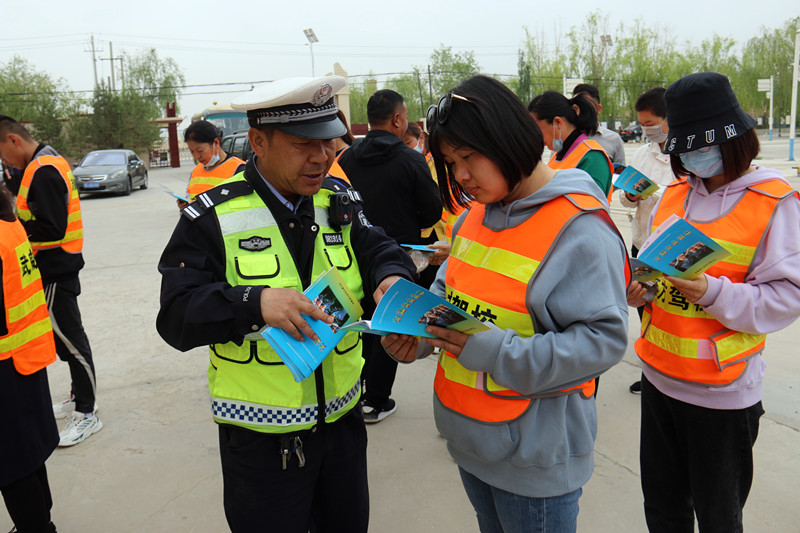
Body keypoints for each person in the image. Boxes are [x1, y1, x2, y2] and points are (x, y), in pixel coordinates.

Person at [156, 75, 417, 533]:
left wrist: (391, 278)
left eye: (328, 144)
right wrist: (253, 302)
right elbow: (176, 314)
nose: (322, 157)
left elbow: (378, 247)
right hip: (262, 442)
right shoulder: (210, 217)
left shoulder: (337, 199)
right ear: (258, 141)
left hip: (343, 428)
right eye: (303, 145)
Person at [382, 75, 629, 533]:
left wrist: (492, 351)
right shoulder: (474, 215)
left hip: (533, 460)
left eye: (469, 157)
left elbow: (602, 344)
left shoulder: (579, 228)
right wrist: (416, 336)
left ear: (507, 138)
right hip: (470, 438)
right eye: (451, 162)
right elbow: (447, 290)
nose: (460, 176)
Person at [626, 72, 800, 533]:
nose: (690, 157)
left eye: (698, 146)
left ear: (734, 139)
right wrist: (639, 288)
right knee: (663, 510)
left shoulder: (774, 201)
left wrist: (713, 293)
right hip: (659, 377)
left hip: (723, 394)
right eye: (681, 148)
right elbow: (655, 268)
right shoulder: (674, 195)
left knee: (719, 516)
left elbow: (786, 297)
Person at [338, 89, 442, 423]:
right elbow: (430, 212)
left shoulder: (346, 158)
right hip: (400, 259)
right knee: (389, 323)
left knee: (357, 321)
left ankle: (353, 393)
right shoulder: (410, 159)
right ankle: (376, 399)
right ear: (398, 119)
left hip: (354, 253)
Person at [0, 115, 102, 447]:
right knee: (63, 340)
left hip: (57, 269)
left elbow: (53, 228)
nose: (4, 162)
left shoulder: (42, 170)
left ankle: (88, 413)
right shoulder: (44, 160)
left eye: (2, 154)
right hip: (54, 268)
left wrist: (17, 231)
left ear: (13, 140)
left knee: (71, 342)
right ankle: (79, 396)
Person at [0, 182, 60, 533]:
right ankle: (41, 519)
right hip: (24, 356)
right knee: (28, 453)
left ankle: (37, 527)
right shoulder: (9, 224)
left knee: (11, 463)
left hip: (6, 363)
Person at [620, 87, 677, 394]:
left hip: (670, 251)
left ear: (669, 119)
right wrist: (630, 194)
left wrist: (652, 193)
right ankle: (651, 371)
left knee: (672, 313)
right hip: (642, 246)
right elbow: (625, 198)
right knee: (645, 312)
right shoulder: (643, 153)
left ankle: (670, 372)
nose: (646, 130)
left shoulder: (685, 153)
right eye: (642, 125)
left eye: (651, 123)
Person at [528, 91, 614, 199]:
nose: (536, 137)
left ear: (557, 123)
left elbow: (591, 209)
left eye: (538, 130)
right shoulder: (559, 153)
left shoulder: (593, 157)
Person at [181, 120, 246, 207]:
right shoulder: (195, 172)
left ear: (216, 143)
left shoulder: (239, 170)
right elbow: (189, 197)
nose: (197, 156)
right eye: (192, 151)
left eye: (200, 150)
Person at [572, 83, 626, 170]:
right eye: (577, 107)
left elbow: (620, 176)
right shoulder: (564, 137)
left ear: (598, 109)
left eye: (587, 106)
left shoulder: (614, 139)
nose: (583, 111)